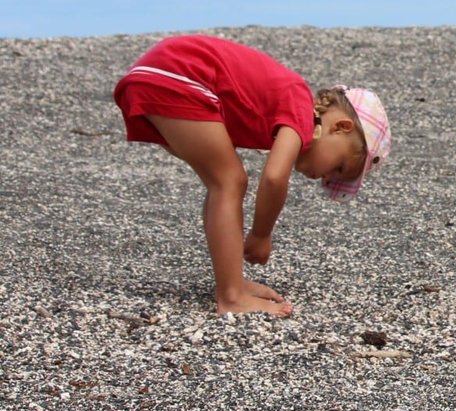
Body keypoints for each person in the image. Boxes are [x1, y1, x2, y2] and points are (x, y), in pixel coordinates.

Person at [114, 34, 392, 317]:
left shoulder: (287, 106)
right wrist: (261, 234)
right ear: (340, 127)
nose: (324, 176)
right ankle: (231, 296)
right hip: (177, 76)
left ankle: (231, 282)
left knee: (222, 182)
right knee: (229, 181)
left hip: (158, 74)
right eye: (339, 168)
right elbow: (274, 176)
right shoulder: (300, 108)